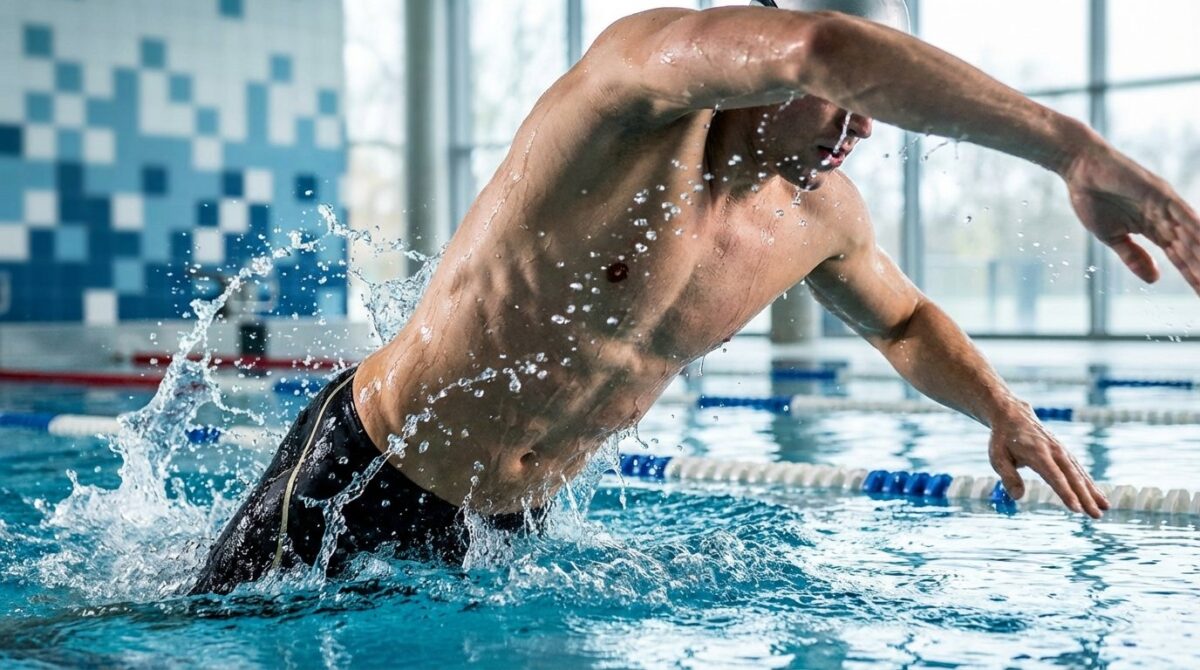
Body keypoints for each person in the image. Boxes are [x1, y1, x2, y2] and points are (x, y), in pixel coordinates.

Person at [191, 0, 1200, 594]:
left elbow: (904, 320)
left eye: (877, 111)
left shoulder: (820, 217)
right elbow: (818, 49)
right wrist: (1070, 146)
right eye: (853, 101)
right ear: (757, 61)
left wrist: (1003, 408)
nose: (862, 129)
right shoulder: (631, 98)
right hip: (364, 474)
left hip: (516, 524)